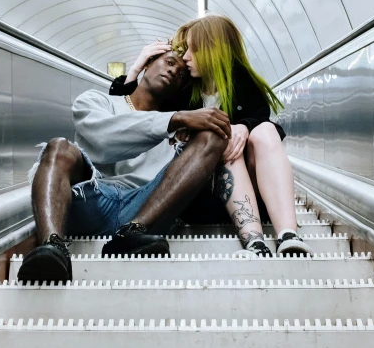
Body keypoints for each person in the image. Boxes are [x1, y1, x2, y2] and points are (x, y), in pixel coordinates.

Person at [17, 50, 231, 283]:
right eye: (169, 63)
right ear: (147, 65)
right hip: (94, 201)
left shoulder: (181, 128)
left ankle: (132, 233)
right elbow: (104, 138)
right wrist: (174, 119)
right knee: (58, 147)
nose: (173, 71)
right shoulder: (96, 101)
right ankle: (52, 247)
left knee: (212, 136)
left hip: (144, 210)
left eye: (181, 75)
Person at [111, 15, 312, 257]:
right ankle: (255, 242)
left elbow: (267, 127)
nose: (185, 58)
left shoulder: (244, 85)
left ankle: (288, 235)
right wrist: (135, 70)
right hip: (199, 199)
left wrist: (245, 126)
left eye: (193, 50)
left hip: (250, 196)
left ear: (211, 50)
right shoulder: (183, 90)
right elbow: (136, 115)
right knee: (222, 138)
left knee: (265, 130)